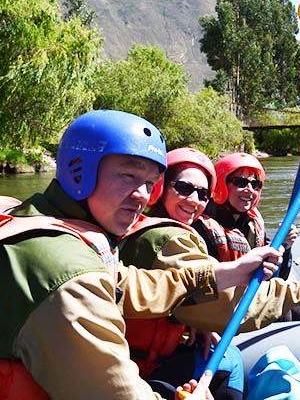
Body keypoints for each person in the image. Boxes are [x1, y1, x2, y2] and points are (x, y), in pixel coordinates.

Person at [0, 110, 282, 399]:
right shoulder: (65, 271)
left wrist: (221, 275)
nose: (142, 195)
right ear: (78, 170)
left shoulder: (34, 220)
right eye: (128, 175)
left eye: (150, 183)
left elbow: (127, 284)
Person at [120, 147, 300, 399]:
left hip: (172, 337)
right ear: (161, 187)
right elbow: (227, 300)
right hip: (143, 365)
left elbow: (181, 290)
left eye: (203, 193)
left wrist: (198, 320)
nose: (194, 200)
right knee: (230, 362)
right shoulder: (174, 237)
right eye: (184, 188)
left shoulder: (158, 227)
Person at [202, 153, 296, 279]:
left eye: (256, 184)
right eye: (241, 182)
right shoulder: (201, 228)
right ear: (221, 185)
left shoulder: (250, 222)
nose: (250, 189)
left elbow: (278, 278)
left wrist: (284, 245)